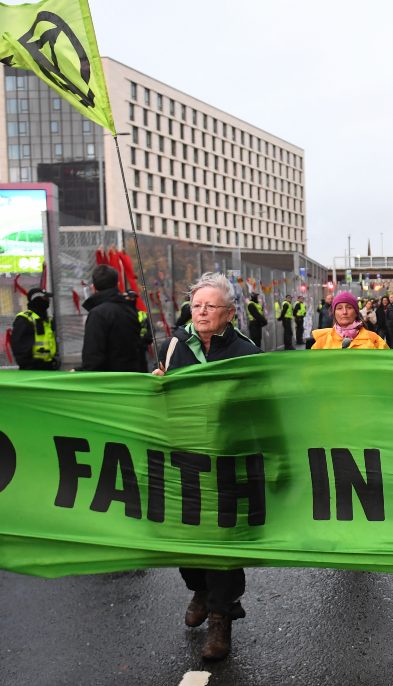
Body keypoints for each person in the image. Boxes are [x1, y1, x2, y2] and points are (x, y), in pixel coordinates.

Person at [152, 273, 260, 661]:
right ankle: (198, 588)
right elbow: (155, 400)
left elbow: (262, 409)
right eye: (196, 305)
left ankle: (220, 621)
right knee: (187, 543)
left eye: (210, 306)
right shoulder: (171, 347)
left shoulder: (247, 353)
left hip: (228, 462)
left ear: (229, 313)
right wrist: (155, 385)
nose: (201, 312)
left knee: (222, 545)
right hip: (183, 460)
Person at [79, 265, 146, 373]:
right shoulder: (130, 311)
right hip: (132, 378)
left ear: (93, 288)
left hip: (109, 382)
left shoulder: (98, 314)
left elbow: (93, 357)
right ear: (118, 284)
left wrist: (80, 371)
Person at [310, 291, 389, 349]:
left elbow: (389, 364)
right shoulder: (322, 342)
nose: (344, 312)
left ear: (356, 312)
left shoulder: (374, 340)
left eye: (349, 307)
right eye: (339, 308)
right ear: (334, 313)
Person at [10, 287, 59, 371]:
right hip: (33, 369)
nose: (48, 300)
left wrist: (54, 358)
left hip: (48, 367)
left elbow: (50, 342)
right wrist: (28, 366)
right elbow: (19, 347)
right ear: (37, 299)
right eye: (45, 298)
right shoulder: (25, 319)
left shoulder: (46, 319)